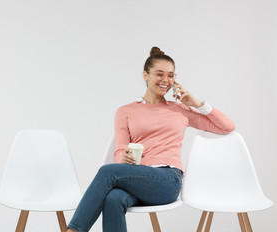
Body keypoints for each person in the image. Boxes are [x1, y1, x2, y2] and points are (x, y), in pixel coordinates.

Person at [67, 46, 235, 232]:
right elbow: (120, 150)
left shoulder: (180, 110)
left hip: (167, 180)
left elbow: (227, 127)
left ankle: (73, 230)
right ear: (146, 75)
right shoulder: (125, 111)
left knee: (107, 172)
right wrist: (123, 159)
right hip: (136, 176)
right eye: (159, 74)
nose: (166, 80)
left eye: (170, 76)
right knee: (113, 198)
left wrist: (197, 104)